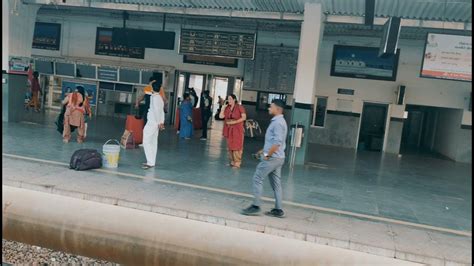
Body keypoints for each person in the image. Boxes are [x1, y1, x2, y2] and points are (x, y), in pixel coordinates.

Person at [242, 99, 288, 218]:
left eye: (271, 107)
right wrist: (262, 151)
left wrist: (267, 156)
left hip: (272, 158)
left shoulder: (277, 123)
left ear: (278, 109)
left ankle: (256, 206)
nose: (269, 108)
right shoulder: (280, 121)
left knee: (257, 177)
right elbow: (272, 142)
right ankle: (278, 209)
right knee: (276, 184)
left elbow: (277, 143)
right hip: (279, 158)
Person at [142, 82, 165, 170]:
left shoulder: (154, 98)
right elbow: (161, 111)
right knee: (153, 142)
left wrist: (159, 123)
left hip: (152, 122)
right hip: (156, 123)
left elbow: (156, 111)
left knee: (146, 141)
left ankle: (150, 162)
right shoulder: (159, 97)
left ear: (152, 88)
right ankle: (152, 161)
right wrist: (161, 122)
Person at [219, 94, 246, 168]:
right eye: (228, 99)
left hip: (237, 128)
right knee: (230, 145)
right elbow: (221, 116)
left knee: (237, 145)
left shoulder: (239, 107)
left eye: (230, 99)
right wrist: (223, 108)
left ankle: (237, 162)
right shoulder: (227, 108)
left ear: (234, 99)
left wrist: (234, 122)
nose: (229, 100)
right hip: (229, 128)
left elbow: (244, 117)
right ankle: (232, 161)